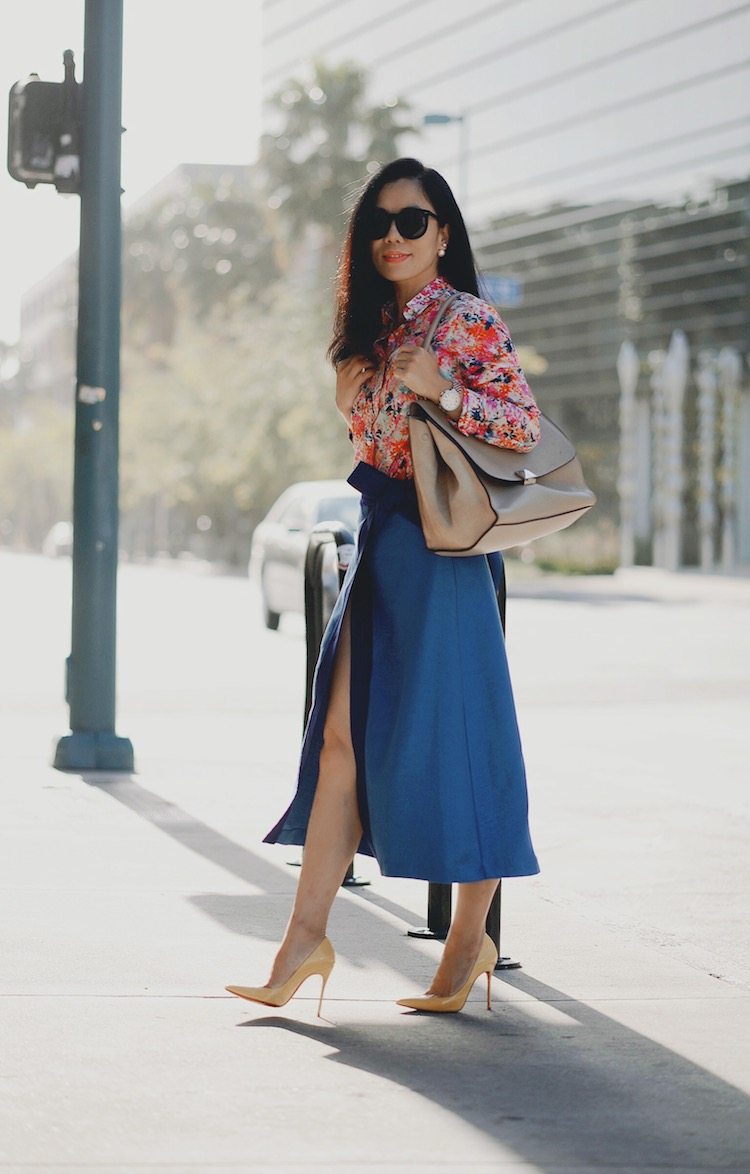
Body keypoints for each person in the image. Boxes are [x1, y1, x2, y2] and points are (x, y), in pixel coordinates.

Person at [226, 157, 541, 1016]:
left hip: (444, 554)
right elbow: (375, 438)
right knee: (337, 741)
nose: (393, 237)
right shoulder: (368, 334)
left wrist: (442, 387)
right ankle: (304, 938)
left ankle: (470, 938)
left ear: (443, 234)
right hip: (379, 542)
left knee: (463, 743)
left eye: (413, 222)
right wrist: (357, 395)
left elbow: (524, 429)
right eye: (379, 223)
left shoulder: (468, 321)